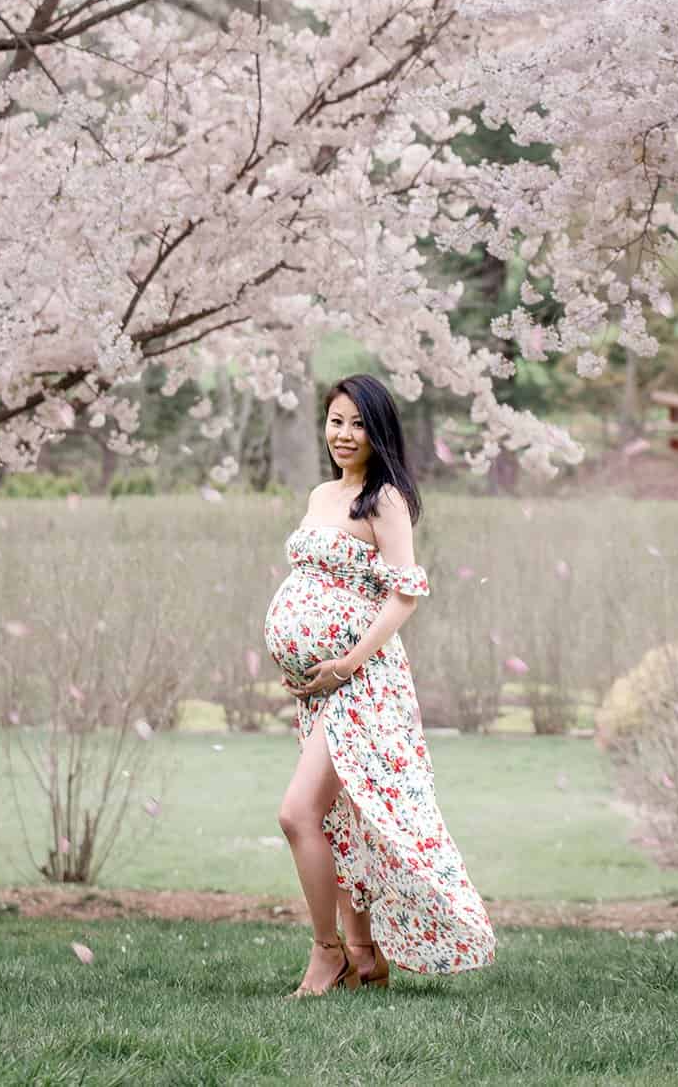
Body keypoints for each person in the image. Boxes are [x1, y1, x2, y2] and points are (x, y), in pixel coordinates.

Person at [262, 373, 497, 998]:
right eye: (336, 421)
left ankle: (327, 954)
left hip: (364, 683)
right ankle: (363, 955)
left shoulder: (385, 500)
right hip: (320, 688)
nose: (344, 434)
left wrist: (345, 662)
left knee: (296, 814)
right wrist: (303, 661)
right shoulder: (320, 495)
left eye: (358, 423)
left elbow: (404, 595)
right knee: (342, 819)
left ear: (378, 430)